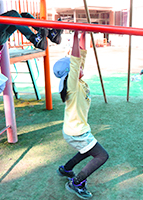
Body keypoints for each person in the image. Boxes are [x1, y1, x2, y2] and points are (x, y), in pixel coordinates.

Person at [53, 31, 109, 199]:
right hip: (77, 131)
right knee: (101, 155)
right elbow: (76, 59)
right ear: (71, 73)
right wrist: (75, 34)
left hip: (75, 129)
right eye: (77, 67)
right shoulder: (72, 86)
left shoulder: (76, 81)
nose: (81, 67)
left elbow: (81, 54)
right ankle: (76, 182)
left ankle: (66, 169)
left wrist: (83, 33)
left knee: (87, 150)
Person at [0, 10, 62, 96]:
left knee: (22, 17)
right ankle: (35, 38)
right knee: (13, 15)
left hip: (0, 41)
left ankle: (51, 34)